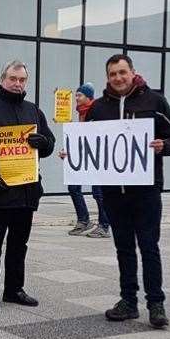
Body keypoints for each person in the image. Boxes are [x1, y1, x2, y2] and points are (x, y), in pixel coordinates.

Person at [86, 54, 170, 329]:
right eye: (113, 73)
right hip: (114, 191)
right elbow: (88, 143)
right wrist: (74, 155)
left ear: (132, 72)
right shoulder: (98, 108)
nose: (118, 78)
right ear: (107, 77)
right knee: (123, 247)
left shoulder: (154, 101)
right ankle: (128, 301)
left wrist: (166, 146)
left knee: (149, 246)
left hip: (147, 190)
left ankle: (156, 303)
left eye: (122, 72)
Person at [0, 60, 55, 314]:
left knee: (20, 243)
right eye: (13, 79)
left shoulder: (33, 111)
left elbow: (49, 142)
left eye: (22, 80)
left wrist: (45, 143)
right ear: (2, 79)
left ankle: (14, 289)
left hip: (26, 190)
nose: (17, 84)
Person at [58, 82, 111, 238]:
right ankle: (84, 220)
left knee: (98, 192)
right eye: (76, 94)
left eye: (79, 95)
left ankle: (104, 225)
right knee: (73, 187)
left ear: (88, 97)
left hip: (97, 158)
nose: (76, 97)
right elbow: (80, 139)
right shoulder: (80, 113)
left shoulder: (98, 112)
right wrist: (67, 151)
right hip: (82, 157)